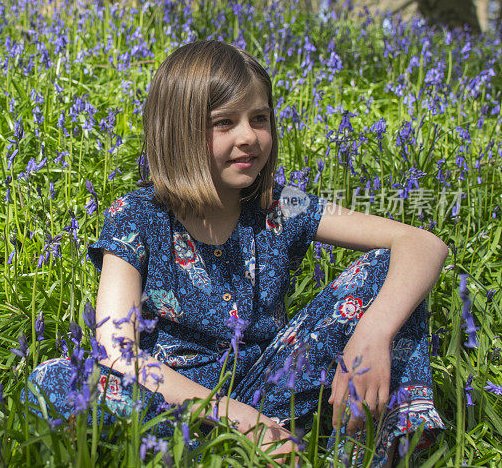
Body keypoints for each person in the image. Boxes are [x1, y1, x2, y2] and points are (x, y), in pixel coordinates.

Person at [22, 40, 446, 466]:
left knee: (391, 271)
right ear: (179, 130)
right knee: (56, 380)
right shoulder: (137, 215)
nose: (249, 137)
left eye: (259, 118)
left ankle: (362, 455)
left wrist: (373, 334)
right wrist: (237, 418)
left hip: (273, 393)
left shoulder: (285, 205)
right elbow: (117, 351)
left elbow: (422, 243)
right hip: (174, 412)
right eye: (224, 122)